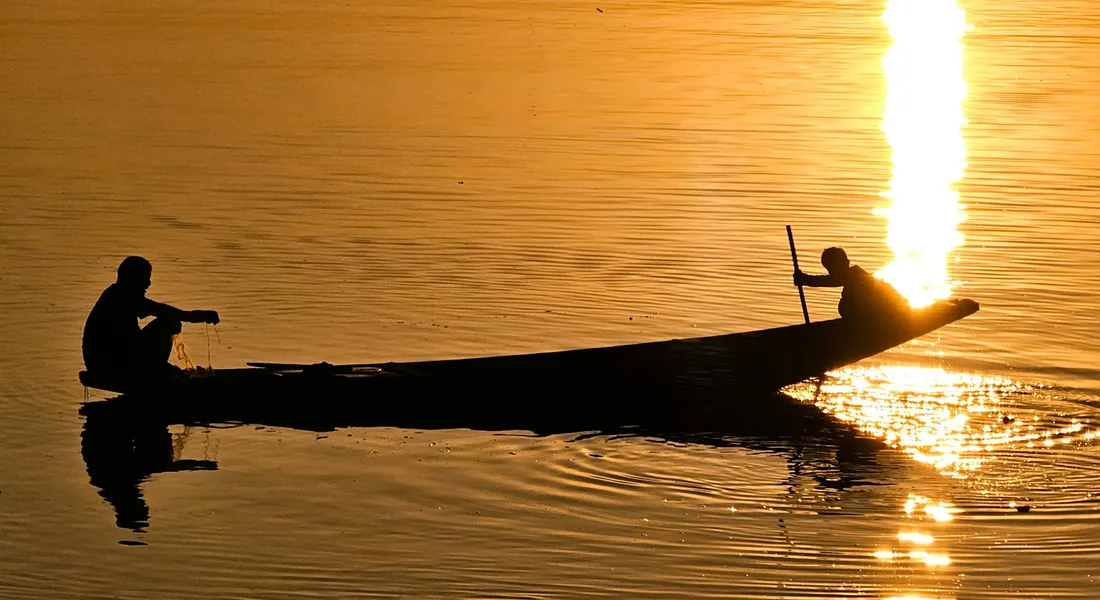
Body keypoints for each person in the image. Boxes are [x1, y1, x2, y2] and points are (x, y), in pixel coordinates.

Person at [82, 256, 219, 385]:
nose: (148, 284)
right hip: (109, 366)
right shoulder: (121, 298)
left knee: (171, 320)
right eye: (144, 279)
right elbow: (165, 311)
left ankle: (155, 368)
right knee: (170, 322)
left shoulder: (116, 295)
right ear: (131, 279)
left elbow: (160, 310)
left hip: (108, 363)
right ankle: (155, 370)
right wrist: (200, 316)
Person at [793, 247, 910, 320]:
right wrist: (804, 279)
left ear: (844, 264)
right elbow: (830, 280)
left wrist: (805, 279)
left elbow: (828, 281)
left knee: (845, 305)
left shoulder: (854, 274)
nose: (831, 274)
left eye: (832, 270)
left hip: (886, 309)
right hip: (880, 309)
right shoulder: (850, 275)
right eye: (829, 271)